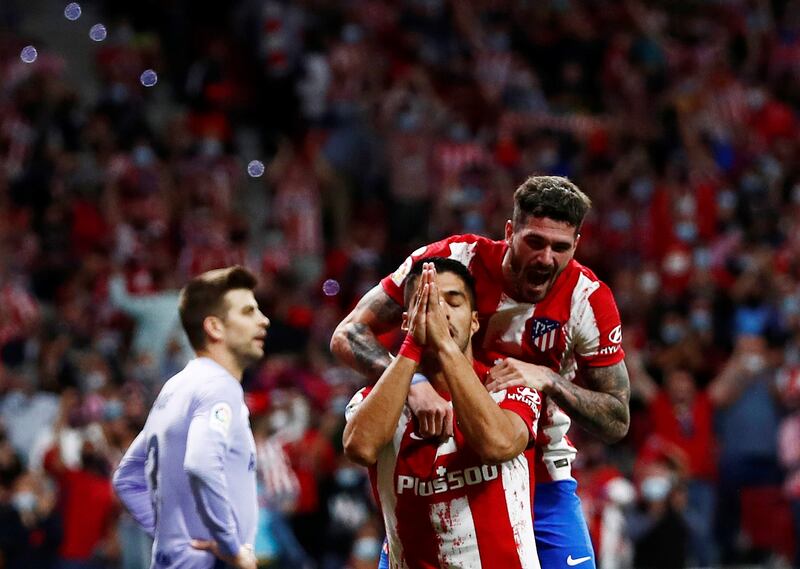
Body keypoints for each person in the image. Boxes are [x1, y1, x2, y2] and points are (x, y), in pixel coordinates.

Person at [331, 176, 630, 569]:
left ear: (577, 244)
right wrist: (414, 385)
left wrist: (550, 379)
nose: (545, 259)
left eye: (560, 247)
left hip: (536, 466)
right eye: (534, 242)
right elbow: (348, 333)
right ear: (509, 232)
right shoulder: (453, 260)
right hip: (435, 459)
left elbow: (616, 419)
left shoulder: (587, 300)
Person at [343, 258, 542, 568]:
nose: (440, 312)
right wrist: (411, 348)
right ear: (408, 321)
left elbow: (498, 445)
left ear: (475, 321)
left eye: (453, 301)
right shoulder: (376, 399)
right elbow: (360, 448)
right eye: (428, 303)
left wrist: (445, 346)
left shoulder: (508, 388)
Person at [112, 266, 270, 569]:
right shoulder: (218, 387)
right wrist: (230, 547)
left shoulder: (177, 387)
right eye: (249, 312)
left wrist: (172, 537)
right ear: (215, 328)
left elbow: (127, 477)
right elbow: (201, 464)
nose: (263, 320)